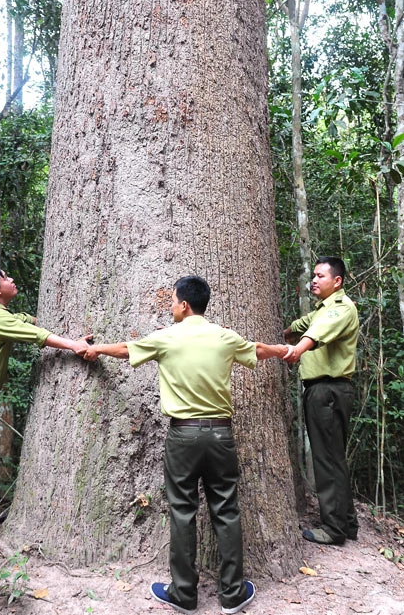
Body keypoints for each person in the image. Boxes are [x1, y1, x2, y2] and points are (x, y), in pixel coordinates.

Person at [83, 275, 288, 615]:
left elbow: (124, 350)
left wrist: (94, 349)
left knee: (182, 511)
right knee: (226, 509)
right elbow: (258, 350)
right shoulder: (224, 336)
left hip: (182, 436)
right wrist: (284, 350)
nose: (171, 306)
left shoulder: (167, 338)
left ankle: (184, 594)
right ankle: (233, 594)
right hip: (221, 435)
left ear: (184, 305)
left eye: (173, 301)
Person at [0, 266, 91, 558]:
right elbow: (36, 335)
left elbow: (25, 321)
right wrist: (73, 345)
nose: (11, 279)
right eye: (5, 278)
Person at [283, 256, 359, 546]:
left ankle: (333, 528)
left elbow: (316, 332)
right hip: (328, 390)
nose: (313, 280)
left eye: (320, 276)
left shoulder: (341, 308)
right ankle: (347, 522)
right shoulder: (322, 309)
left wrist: (296, 350)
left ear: (337, 281)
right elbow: (303, 324)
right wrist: (284, 335)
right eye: (312, 276)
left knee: (326, 460)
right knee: (335, 458)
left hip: (327, 390)